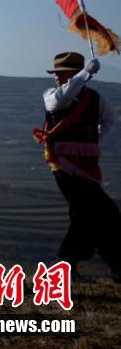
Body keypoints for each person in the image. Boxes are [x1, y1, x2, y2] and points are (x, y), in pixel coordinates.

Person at [37, 52, 119, 282]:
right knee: (98, 212)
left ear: (70, 75)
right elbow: (60, 100)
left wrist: (91, 140)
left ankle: (73, 266)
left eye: (61, 74)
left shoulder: (94, 99)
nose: (56, 78)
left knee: (92, 214)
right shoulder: (51, 95)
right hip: (63, 164)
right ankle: (71, 265)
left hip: (86, 166)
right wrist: (85, 73)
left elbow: (109, 120)